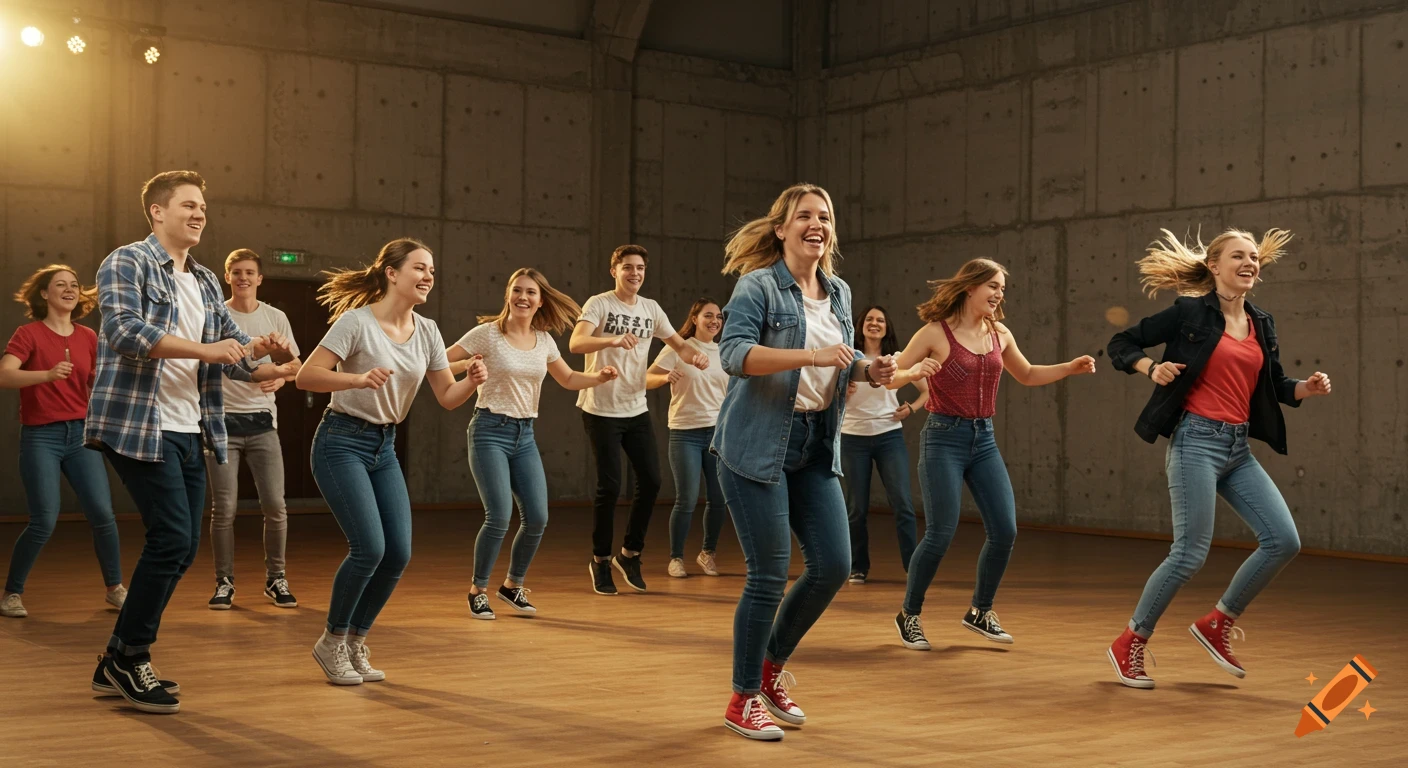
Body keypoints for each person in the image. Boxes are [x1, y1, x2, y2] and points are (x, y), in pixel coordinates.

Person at [86, 170, 293, 714]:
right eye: (188, 205)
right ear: (157, 211)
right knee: (173, 538)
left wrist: (266, 357)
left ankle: (116, 658)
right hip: (138, 423)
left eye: (203, 206)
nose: (200, 213)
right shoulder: (127, 261)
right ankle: (133, 657)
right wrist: (209, 351)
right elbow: (123, 331)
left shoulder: (201, 280)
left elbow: (236, 352)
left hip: (190, 426)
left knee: (180, 546)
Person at [1105, 228, 1331, 689]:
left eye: (1254, 257)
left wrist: (1305, 389)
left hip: (1237, 448)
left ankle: (1218, 621)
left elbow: (1274, 384)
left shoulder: (1261, 322)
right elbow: (1122, 343)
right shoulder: (1190, 312)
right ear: (1214, 266)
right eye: (1238, 256)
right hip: (1196, 442)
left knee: (1283, 541)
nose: (1250, 263)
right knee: (1189, 554)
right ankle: (1130, 642)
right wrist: (1151, 367)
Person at [712, 183, 898, 740]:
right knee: (768, 575)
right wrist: (811, 355)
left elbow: (843, 359)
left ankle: (771, 669)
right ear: (782, 229)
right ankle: (742, 698)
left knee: (834, 565)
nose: (816, 224)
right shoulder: (758, 285)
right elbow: (734, 355)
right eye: (804, 216)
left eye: (825, 216)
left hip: (816, 445)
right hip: (755, 444)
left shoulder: (838, 290)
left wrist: (868, 369)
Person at [296, 237, 485, 686]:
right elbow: (306, 375)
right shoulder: (356, 322)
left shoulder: (429, 331)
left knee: (398, 552)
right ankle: (331, 641)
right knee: (369, 548)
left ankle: (355, 641)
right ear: (392, 273)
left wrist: (473, 381)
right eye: (419, 268)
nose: (428, 277)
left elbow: (446, 396)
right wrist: (357, 379)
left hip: (384, 447)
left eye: (431, 270)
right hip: (341, 441)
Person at [890, 259, 1095, 652]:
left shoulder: (1000, 333)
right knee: (940, 533)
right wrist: (913, 372)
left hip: (983, 440)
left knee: (1005, 530)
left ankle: (980, 611)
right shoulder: (935, 332)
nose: (1000, 294)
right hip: (943, 438)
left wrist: (1068, 368)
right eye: (993, 286)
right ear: (970, 287)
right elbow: (889, 377)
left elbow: (1028, 374)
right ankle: (909, 614)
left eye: (1003, 288)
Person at [447, 268, 617, 620]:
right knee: (498, 516)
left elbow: (567, 378)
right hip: (489, 430)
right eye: (517, 290)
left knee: (537, 518)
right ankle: (478, 590)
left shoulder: (544, 341)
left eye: (531, 292)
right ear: (508, 294)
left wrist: (598, 378)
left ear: (540, 301)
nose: (523, 297)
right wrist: (467, 365)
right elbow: (440, 361)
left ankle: (512, 586)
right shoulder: (487, 334)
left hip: (524, 435)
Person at [570, 244, 708, 596]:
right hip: (600, 408)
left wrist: (695, 356)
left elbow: (679, 344)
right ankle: (600, 560)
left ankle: (630, 554)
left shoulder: (651, 309)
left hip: (635, 408)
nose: (635, 273)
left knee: (651, 481)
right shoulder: (599, 304)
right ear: (614, 270)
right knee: (610, 486)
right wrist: (613, 339)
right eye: (628, 267)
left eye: (640, 268)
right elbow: (576, 343)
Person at [1, 266, 124, 619]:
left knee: (103, 514)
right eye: (60, 285)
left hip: (81, 435)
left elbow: (97, 382)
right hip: (42, 436)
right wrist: (47, 374)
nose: (69, 289)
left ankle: (115, 589)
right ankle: (11, 594)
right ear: (44, 294)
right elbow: (5, 374)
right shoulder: (29, 334)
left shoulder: (88, 336)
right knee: (44, 520)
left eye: (73, 285)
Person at [205, 249, 302, 610]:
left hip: (263, 424)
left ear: (260, 278)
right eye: (236, 272)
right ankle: (224, 582)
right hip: (222, 423)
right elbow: (211, 362)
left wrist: (281, 379)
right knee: (224, 509)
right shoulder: (215, 314)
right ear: (227, 276)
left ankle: (276, 578)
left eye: (249, 272)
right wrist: (270, 368)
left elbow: (296, 365)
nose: (243, 277)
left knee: (275, 505)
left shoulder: (275, 317)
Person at [839, 305, 927, 585]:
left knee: (902, 504)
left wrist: (911, 408)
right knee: (856, 508)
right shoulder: (849, 360)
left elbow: (927, 391)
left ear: (887, 327)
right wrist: (843, 392)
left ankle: (912, 567)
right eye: (869, 319)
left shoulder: (897, 360)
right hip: (852, 438)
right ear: (860, 325)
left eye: (880, 320)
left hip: (889, 437)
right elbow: (826, 396)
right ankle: (858, 567)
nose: (874, 323)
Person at [645, 297, 729, 578]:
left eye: (719, 316)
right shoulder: (678, 348)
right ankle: (676, 558)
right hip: (685, 433)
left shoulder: (724, 352)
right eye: (708, 315)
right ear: (695, 318)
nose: (715, 321)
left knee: (718, 499)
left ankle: (708, 553)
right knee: (687, 499)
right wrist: (665, 377)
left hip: (717, 434)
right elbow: (646, 378)